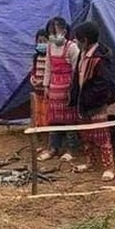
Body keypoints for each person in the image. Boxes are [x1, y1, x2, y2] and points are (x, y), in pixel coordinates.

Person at [68, 21, 115, 181]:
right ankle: (91, 162)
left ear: (85, 40)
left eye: (77, 39)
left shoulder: (100, 59)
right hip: (82, 103)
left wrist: (90, 100)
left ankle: (108, 167)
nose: (75, 42)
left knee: (102, 137)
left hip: (96, 105)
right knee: (86, 135)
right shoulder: (82, 55)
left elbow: (102, 85)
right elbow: (77, 78)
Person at [38, 17, 80, 162]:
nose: (53, 35)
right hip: (54, 88)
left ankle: (71, 150)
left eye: (55, 32)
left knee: (69, 120)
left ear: (64, 31)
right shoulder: (50, 47)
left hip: (67, 87)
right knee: (54, 120)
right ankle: (53, 148)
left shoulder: (72, 47)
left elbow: (76, 69)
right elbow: (48, 68)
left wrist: (72, 89)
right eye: (50, 33)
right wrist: (46, 86)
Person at [30, 29, 49, 144]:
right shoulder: (36, 57)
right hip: (37, 91)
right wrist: (32, 78)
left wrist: (43, 82)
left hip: (46, 92)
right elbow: (34, 70)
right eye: (39, 41)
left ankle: (47, 140)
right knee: (38, 115)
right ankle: (40, 140)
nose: (42, 44)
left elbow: (49, 73)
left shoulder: (50, 57)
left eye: (44, 41)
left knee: (46, 115)